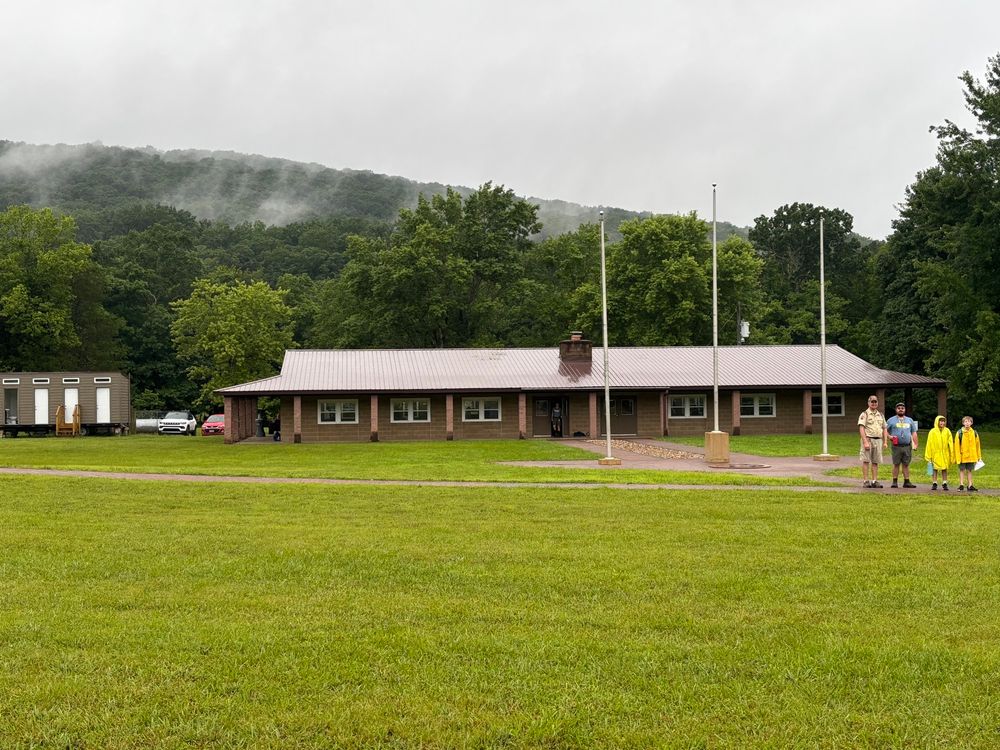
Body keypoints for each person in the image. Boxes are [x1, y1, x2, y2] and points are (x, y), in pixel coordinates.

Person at [857, 395, 889, 488]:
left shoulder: (881, 415)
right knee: (866, 460)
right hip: (868, 439)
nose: (874, 403)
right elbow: (861, 428)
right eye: (872, 402)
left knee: (876, 461)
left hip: (878, 440)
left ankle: (875, 481)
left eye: (875, 402)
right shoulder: (865, 414)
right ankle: (866, 481)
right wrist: (865, 442)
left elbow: (884, 428)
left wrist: (885, 441)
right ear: (868, 403)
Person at [886, 402, 918, 488]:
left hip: (907, 446)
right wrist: (889, 437)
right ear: (896, 410)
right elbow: (884, 430)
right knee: (896, 464)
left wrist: (916, 443)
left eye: (902, 408)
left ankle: (907, 482)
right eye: (899, 408)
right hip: (896, 446)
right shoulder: (890, 420)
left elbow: (914, 432)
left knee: (906, 464)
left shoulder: (909, 420)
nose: (901, 409)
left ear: (905, 410)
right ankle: (894, 482)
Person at [923, 415, 953, 491]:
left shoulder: (947, 431)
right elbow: (929, 443)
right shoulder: (932, 432)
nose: (942, 422)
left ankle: (944, 482)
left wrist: (951, 452)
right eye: (940, 421)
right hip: (935, 453)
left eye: (943, 421)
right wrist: (929, 455)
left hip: (944, 453)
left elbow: (950, 442)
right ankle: (934, 482)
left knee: (944, 468)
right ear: (937, 422)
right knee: (934, 468)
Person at [954, 415, 982, 492]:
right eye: (965, 421)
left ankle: (970, 485)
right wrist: (957, 456)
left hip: (972, 456)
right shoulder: (959, 433)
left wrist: (979, 456)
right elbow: (956, 446)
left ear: (971, 423)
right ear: (963, 423)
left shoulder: (974, 433)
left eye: (969, 421)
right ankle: (961, 485)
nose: (967, 423)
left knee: (970, 470)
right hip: (962, 456)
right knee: (962, 470)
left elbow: (977, 445)